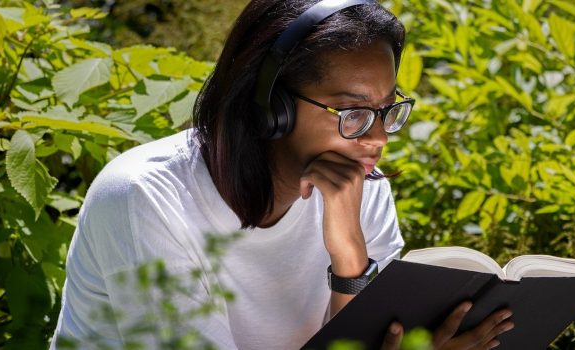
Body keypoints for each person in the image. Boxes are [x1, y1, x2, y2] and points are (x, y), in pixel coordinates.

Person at [51, 0, 514, 349]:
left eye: (386, 110)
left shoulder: (360, 188)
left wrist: (350, 260)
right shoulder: (146, 196)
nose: (376, 140)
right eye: (352, 111)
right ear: (272, 107)